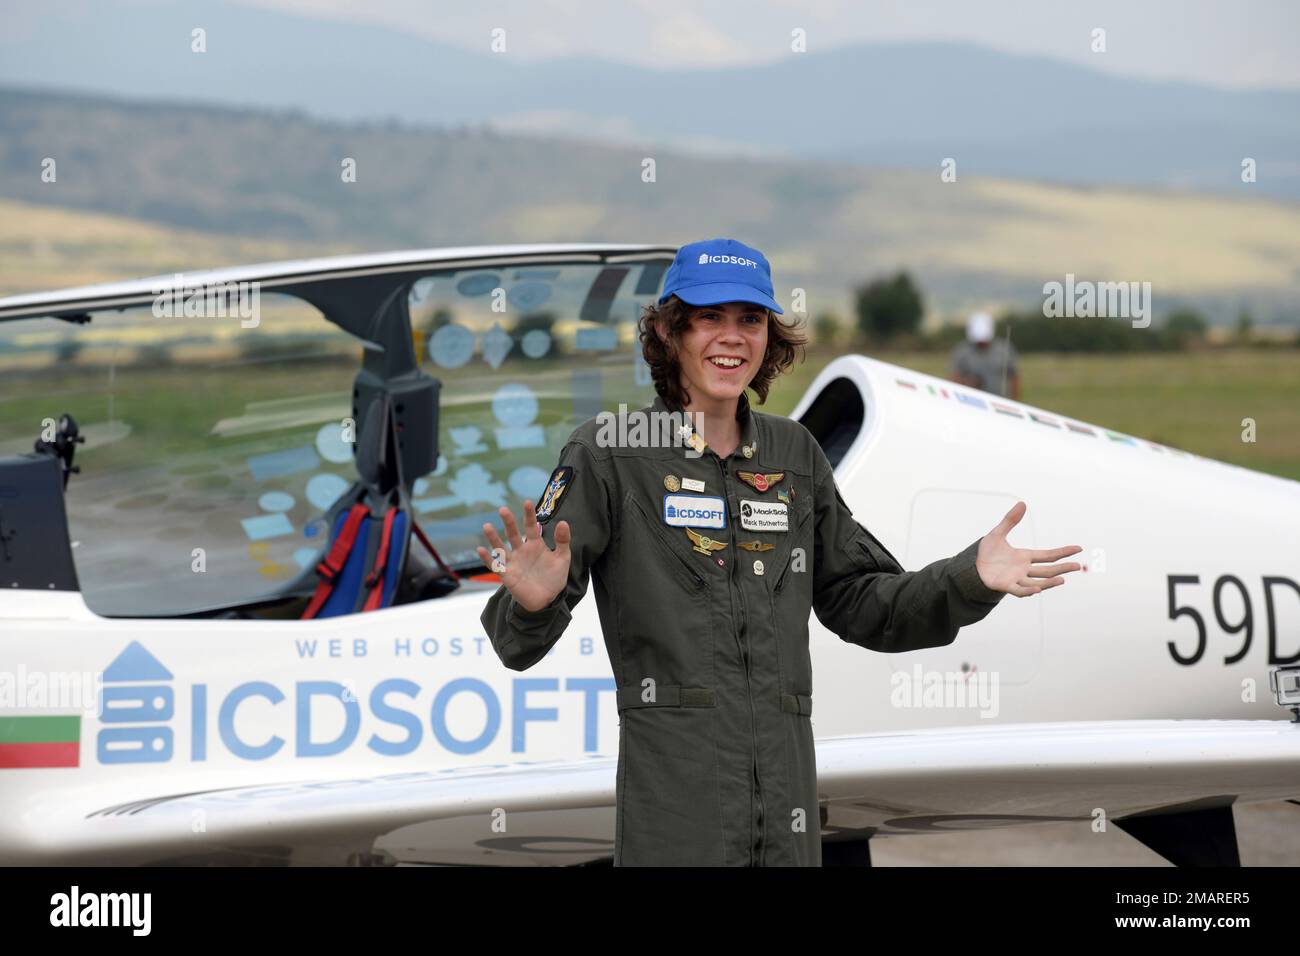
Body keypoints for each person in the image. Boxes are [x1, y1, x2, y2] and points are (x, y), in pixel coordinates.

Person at [478, 237, 1081, 866]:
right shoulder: (610, 452)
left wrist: (968, 577)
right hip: (675, 822)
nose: (732, 337)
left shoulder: (795, 455)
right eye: (709, 317)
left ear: (770, 336)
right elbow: (516, 644)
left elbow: (863, 603)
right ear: (667, 332)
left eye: (751, 319)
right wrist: (532, 605)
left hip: (787, 822)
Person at [951, 310, 1020, 399]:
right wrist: (967, 383)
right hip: (972, 402)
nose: (981, 343)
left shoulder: (1005, 349)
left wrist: (1015, 401)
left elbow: (1014, 377)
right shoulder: (962, 350)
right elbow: (955, 378)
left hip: (1000, 401)